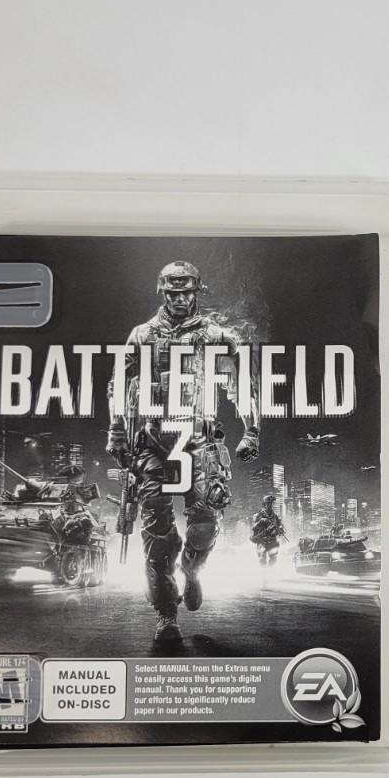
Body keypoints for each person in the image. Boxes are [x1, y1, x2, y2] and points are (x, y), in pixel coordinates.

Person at [107, 261, 258, 645]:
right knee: (156, 536)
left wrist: (251, 430)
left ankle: (191, 568)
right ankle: (166, 615)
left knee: (205, 525)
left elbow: (242, 385)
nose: (179, 299)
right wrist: (116, 432)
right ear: (163, 293)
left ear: (196, 293)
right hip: (152, 443)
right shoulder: (142, 335)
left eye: (186, 292)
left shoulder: (215, 336)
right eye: (172, 293)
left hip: (199, 442)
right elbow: (119, 385)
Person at [250, 492, 287, 567]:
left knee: (273, 560)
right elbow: (253, 527)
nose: (270, 505)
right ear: (265, 504)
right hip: (262, 540)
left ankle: (271, 572)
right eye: (269, 503)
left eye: (272, 503)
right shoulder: (258, 515)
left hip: (272, 540)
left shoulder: (275, 515)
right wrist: (262, 521)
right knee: (262, 560)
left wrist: (281, 529)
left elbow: (280, 524)